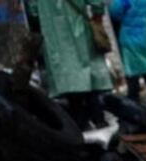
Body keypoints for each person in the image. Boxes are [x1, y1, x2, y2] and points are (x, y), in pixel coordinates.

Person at [25, 0, 112, 129]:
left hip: (54, 33)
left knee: (70, 81)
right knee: (89, 76)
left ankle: (79, 125)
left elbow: (33, 12)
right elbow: (96, 3)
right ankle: (98, 119)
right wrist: (97, 15)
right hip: (79, 28)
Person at [108, 0, 146, 106]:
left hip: (131, 38)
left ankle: (133, 98)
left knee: (132, 70)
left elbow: (114, 12)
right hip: (145, 37)